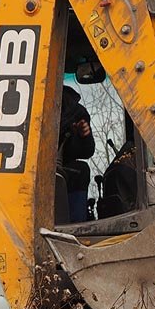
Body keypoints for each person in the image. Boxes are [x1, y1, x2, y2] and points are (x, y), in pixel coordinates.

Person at [59, 86, 96, 222]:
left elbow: (87, 151)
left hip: (63, 167)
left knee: (81, 170)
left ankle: (76, 225)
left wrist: (82, 136)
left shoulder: (75, 111)